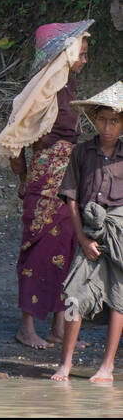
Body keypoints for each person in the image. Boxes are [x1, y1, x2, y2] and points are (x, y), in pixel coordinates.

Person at [0, 21, 92, 349]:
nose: (85, 60)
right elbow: (16, 135)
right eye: (82, 53)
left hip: (68, 181)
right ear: (68, 53)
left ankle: (58, 329)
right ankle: (27, 327)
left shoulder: (66, 86)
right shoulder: (44, 89)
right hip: (46, 182)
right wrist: (23, 177)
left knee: (66, 249)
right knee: (39, 251)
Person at [51, 84, 123, 382]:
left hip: (119, 235)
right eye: (103, 120)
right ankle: (65, 363)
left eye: (115, 121)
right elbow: (70, 197)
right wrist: (82, 238)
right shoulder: (82, 152)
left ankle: (106, 366)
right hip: (89, 233)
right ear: (94, 118)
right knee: (73, 298)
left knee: (119, 300)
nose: (108, 127)